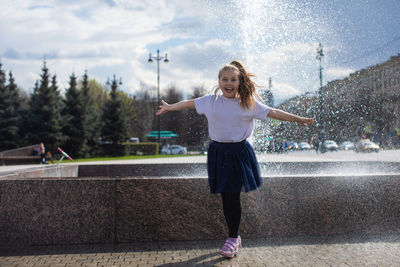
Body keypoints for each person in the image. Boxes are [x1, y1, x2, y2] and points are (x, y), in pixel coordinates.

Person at [156, 60, 314, 258]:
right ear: (219, 81)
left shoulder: (248, 103)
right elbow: (189, 103)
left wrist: (298, 119)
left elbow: (273, 112)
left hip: (239, 152)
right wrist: (170, 107)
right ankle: (234, 237)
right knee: (226, 196)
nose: (228, 83)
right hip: (217, 152)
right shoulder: (210, 100)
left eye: (233, 79)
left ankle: (232, 238)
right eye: (225, 79)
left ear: (240, 82)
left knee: (232, 195)